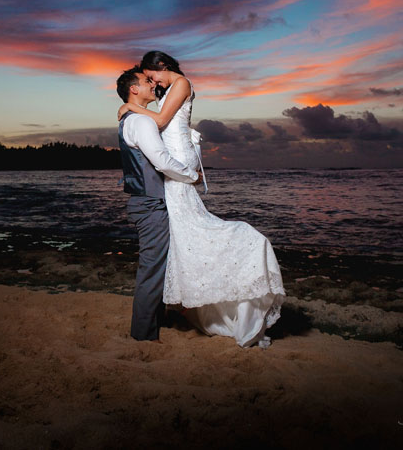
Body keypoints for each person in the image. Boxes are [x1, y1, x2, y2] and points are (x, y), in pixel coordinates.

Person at [117, 51, 286, 348]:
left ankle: (238, 272)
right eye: (147, 80)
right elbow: (156, 130)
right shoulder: (162, 95)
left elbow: (160, 120)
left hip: (176, 164)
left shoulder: (180, 83)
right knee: (181, 239)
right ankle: (168, 314)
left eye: (151, 76)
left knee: (191, 232)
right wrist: (131, 109)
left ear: (162, 67)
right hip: (170, 168)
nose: (153, 82)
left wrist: (128, 108)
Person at [116, 65, 201, 342]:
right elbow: (162, 161)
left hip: (146, 202)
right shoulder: (140, 122)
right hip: (150, 204)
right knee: (152, 270)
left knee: (158, 266)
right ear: (134, 89)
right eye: (145, 81)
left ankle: (155, 322)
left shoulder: (131, 119)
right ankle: (143, 335)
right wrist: (192, 176)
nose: (152, 84)